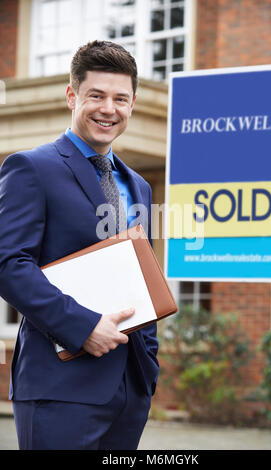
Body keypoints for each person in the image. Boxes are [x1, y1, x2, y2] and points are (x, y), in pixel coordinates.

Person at [0, 40, 159, 450]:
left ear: (133, 104)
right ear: (72, 96)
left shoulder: (138, 185)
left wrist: (150, 365)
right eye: (97, 96)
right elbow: (8, 264)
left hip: (130, 390)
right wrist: (83, 326)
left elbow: (142, 274)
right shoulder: (30, 168)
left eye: (121, 98)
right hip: (59, 387)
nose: (109, 108)